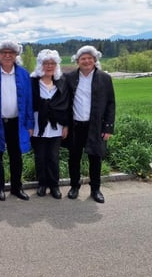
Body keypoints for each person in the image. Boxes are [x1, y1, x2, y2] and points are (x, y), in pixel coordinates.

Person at [64, 45, 115, 203]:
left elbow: (111, 103)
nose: (86, 61)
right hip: (75, 126)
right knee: (74, 157)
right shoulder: (69, 77)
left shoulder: (104, 78)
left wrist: (108, 127)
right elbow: (64, 102)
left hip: (96, 126)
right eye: (83, 59)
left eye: (89, 58)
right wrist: (64, 125)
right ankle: (74, 186)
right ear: (77, 61)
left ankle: (95, 189)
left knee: (95, 158)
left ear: (95, 60)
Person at [0, 40, 34, 202]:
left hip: (16, 122)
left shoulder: (23, 74)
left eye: (10, 53)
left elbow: (28, 100)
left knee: (16, 155)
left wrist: (29, 124)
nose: (7, 55)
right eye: (4, 52)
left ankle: (16, 187)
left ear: (16, 55)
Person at [30, 49, 69, 199]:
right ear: (40, 65)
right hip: (38, 125)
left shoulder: (62, 82)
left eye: (52, 63)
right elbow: (28, 104)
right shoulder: (33, 82)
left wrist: (66, 125)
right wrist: (29, 125)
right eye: (46, 63)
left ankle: (54, 185)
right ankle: (42, 184)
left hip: (56, 125)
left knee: (53, 157)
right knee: (40, 157)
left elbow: (66, 105)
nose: (49, 66)